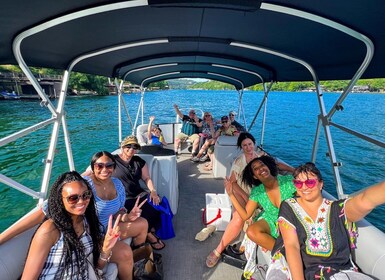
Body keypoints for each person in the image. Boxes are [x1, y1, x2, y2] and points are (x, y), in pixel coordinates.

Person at [267, 163, 384, 279]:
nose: (304, 187)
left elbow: (365, 200)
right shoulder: (289, 206)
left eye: (310, 182)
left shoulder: (336, 209)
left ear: (320, 184)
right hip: (297, 269)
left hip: (338, 272)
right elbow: (291, 245)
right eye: (298, 183)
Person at [206, 133, 295, 267]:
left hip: (261, 194)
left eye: (250, 144)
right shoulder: (239, 161)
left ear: (254, 144)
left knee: (258, 217)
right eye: (244, 145)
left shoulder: (262, 158)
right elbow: (233, 183)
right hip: (241, 192)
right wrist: (246, 198)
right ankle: (218, 250)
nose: (248, 147)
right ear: (241, 147)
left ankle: (255, 243)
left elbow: (276, 165)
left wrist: (293, 170)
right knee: (238, 219)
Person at [21, 171, 121, 279]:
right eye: (73, 198)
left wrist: (106, 248)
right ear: (60, 199)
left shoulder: (87, 222)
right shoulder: (50, 230)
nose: (81, 201)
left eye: (86, 195)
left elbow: (97, 266)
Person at [83, 151, 148, 248]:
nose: (104, 169)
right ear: (93, 167)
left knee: (143, 223)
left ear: (114, 167)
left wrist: (128, 217)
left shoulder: (117, 184)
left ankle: (140, 255)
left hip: (109, 228)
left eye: (109, 165)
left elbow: (118, 212)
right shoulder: (86, 185)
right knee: (125, 252)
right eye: (99, 166)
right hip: (92, 234)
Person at [113, 135, 165, 250]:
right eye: (128, 146)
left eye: (134, 146)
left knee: (158, 205)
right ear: (122, 147)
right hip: (123, 199)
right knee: (140, 214)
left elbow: (146, 178)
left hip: (138, 194)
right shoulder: (113, 161)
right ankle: (149, 234)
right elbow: (94, 169)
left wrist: (153, 191)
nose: (131, 149)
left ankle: (147, 229)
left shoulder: (139, 161)